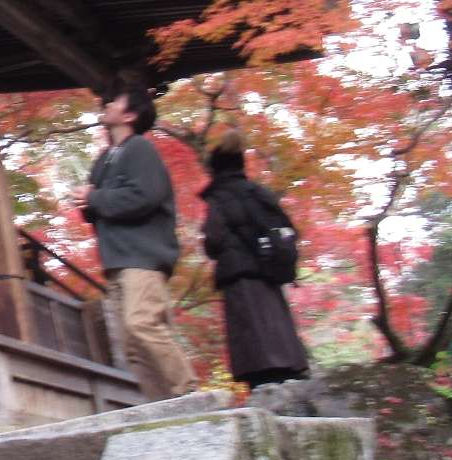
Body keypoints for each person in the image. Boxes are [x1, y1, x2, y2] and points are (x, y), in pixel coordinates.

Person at [79, 83, 198, 400]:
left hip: (142, 255)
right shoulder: (105, 158)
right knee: (132, 344)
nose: (107, 104)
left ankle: (187, 391)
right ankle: (161, 405)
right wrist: (88, 201)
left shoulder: (140, 149)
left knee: (141, 323)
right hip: (116, 258)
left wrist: (95, 198)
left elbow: (144, 196)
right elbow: (96, 205)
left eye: (115, 100)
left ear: (130, 115)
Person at [200, 130, 311, 389]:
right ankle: (290, 373)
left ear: (215, 169)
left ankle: (264, 381)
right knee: (275, 327)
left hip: (239, 275)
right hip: (269, 271)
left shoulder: (221, 197)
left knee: (253, 334)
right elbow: (285, 227)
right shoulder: (258, 192)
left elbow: (214, 240)